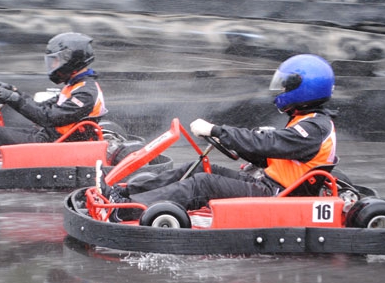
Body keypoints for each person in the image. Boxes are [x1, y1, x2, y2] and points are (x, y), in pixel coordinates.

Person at [105, 53, 337, 221]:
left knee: (203, 184)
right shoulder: (305, 120)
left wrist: (217, 131)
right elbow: (269, 156)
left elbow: (268, 143)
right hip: (268, 183)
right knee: (200, 168)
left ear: (305, 89)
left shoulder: (315, 128)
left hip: (278, 195)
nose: (281, 91)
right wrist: (229, 141)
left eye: (285, 87)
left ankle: (126, 211)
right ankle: (125, 193)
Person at [0, 32, 107, 158]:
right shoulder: (75, 85)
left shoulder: (85, 93)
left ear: (72, 61)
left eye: (56, 61)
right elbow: (44, 107)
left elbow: (48, 118)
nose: (53, 66)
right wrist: (15, 93)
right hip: (50, 136)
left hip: (57, 145)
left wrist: (15, 100)